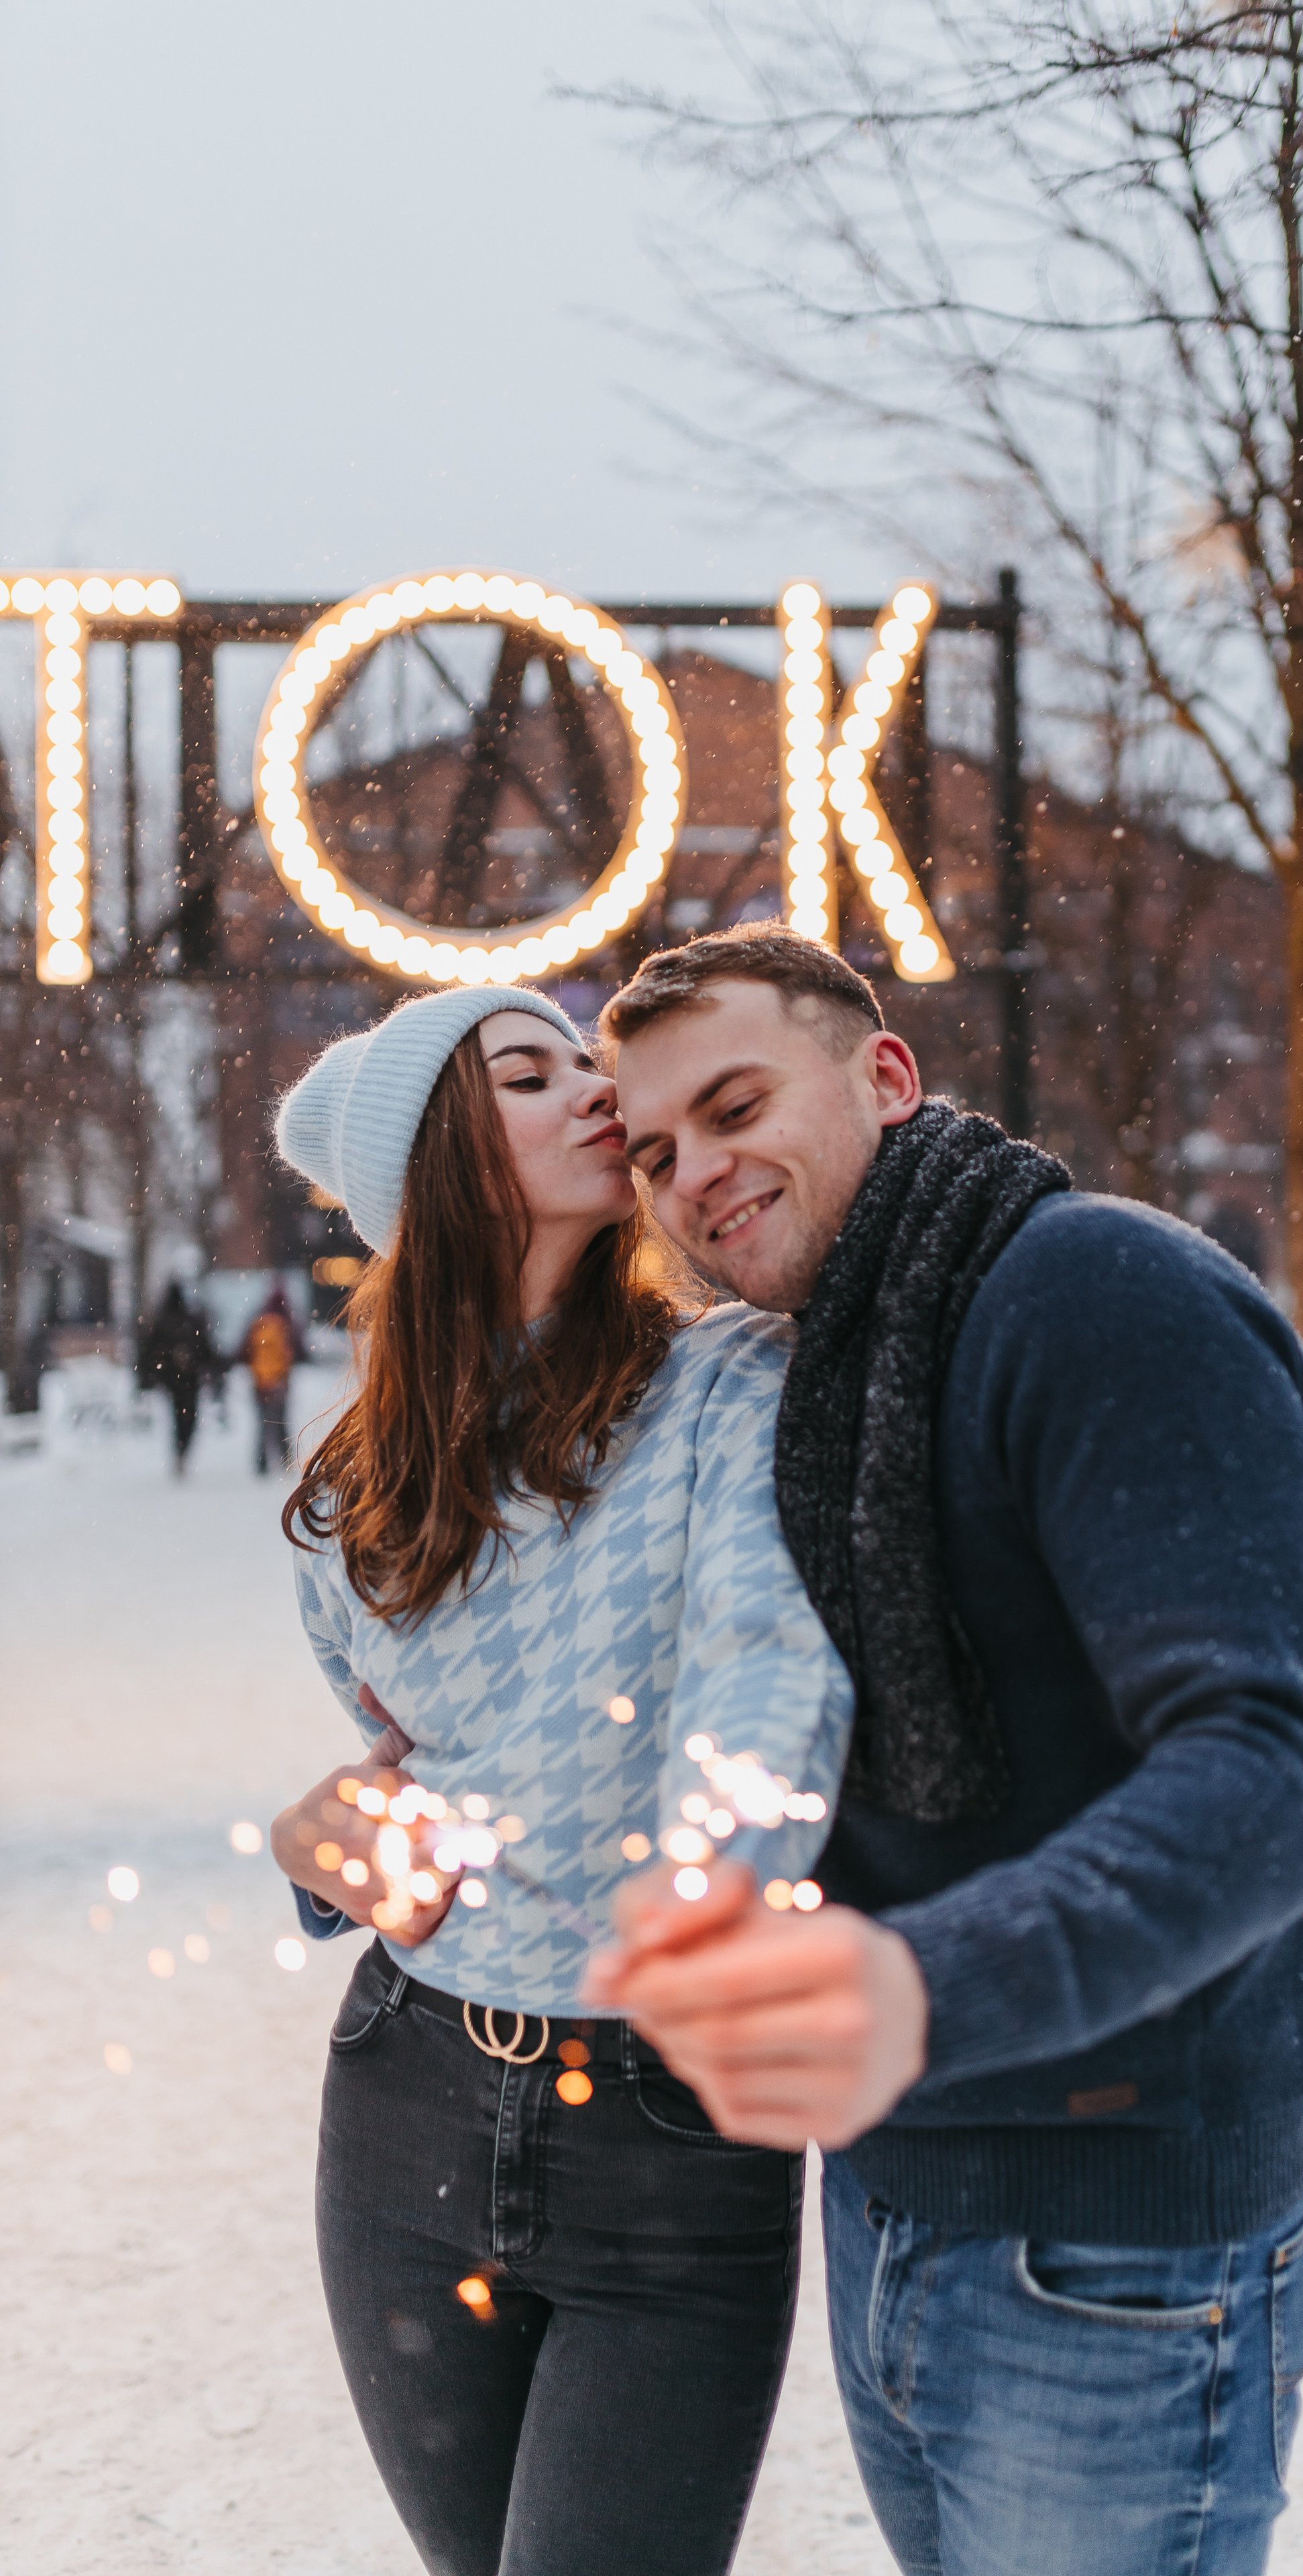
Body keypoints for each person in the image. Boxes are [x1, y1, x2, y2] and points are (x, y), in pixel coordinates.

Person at [586, 924, 1303, 2576]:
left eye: (732, 1105)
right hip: (895, 2195)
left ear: (883, 1074)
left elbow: (1267, 1772)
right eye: (653, 1151)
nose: (694, 1173)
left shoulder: (1097, 1292)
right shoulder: (815, 1369)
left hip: (1113, 2239)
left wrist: (921, 1986)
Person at [264, 984, 852, 2576]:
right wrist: (318, 1844)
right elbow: (402, 1777)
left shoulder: (731, 1383)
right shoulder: (351, 1500)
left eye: (590, 1061)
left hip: (659, 2116)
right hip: (404, 2093)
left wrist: (711, 1885)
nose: (594, 1088)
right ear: (440, 1162)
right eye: (530, 1072)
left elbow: (765, 1669)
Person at [135, 1280, 223, 1476]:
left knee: (178, 1416)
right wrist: (212, 1369)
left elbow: (149, 1352)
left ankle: (179, 1450)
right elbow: (206, 1349)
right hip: (190, 1378)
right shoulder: (192, 1321)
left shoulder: (161, 1323)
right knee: (189, 1416)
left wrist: (148, 1376)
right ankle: (183, 1449)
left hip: (172, 1380)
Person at [241, 1279, 304, 1474]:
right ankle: (286, 1461)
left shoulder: (258, 1322)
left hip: (260, 1380)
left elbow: (244, 1351)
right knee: (281, 1420)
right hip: (280, 1380)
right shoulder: (287, 1322)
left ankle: (261, 1461)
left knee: (262, 1421)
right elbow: (300, 1350)